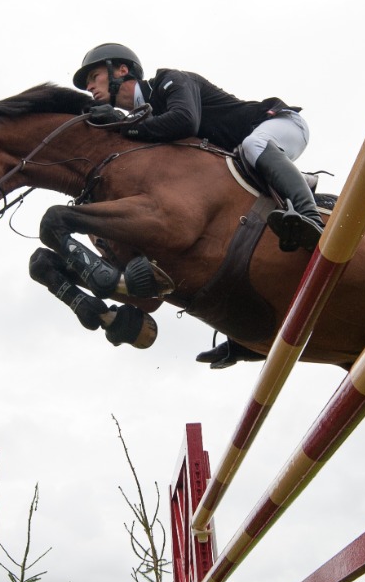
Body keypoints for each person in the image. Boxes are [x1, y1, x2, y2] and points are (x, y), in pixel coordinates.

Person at [73, 42, 323, 367]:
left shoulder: (170, 81)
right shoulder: (142, 115)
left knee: (254, 144)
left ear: (121, 70)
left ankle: (308, 216)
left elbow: (184, 121)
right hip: (241, 163)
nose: (89, 86)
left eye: (93, 76)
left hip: (278, 124)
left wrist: (122, 125)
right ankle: (242, 335)